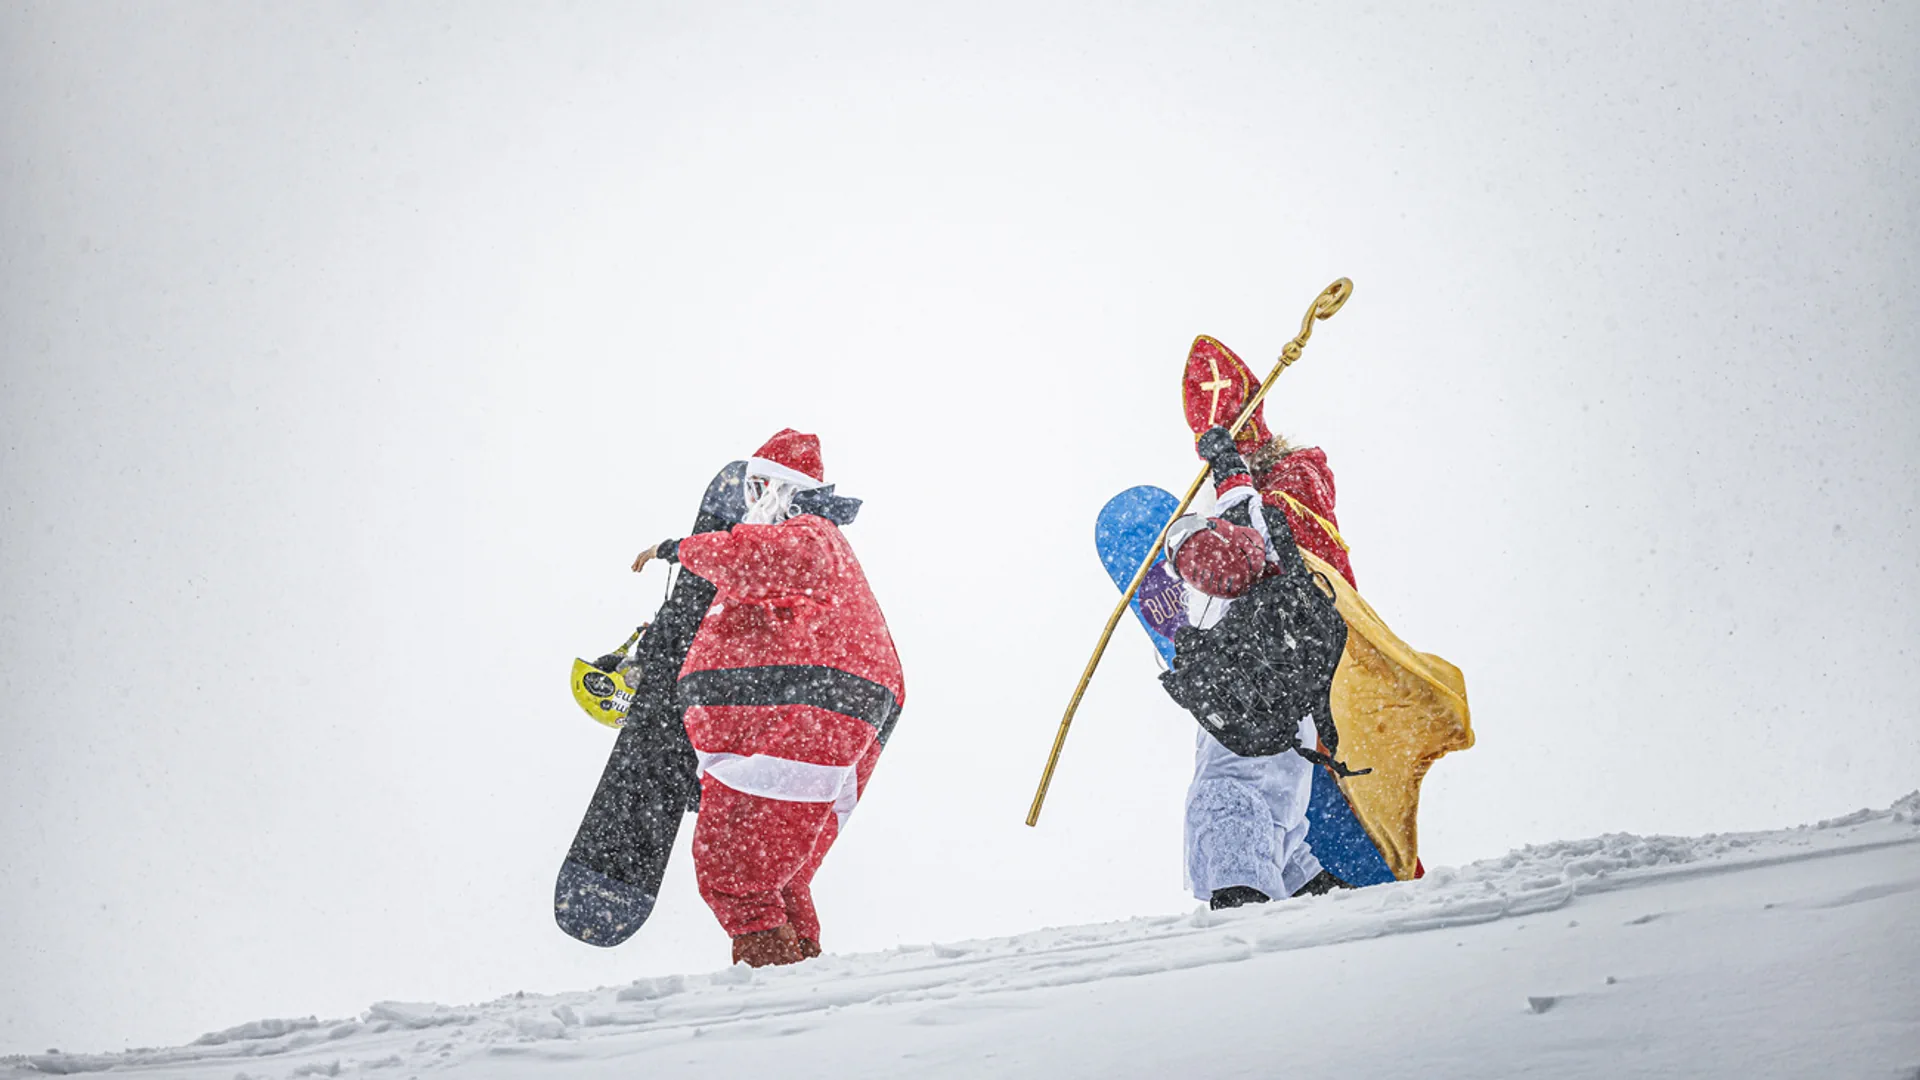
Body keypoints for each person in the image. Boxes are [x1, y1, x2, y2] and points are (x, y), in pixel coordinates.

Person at [636, 429, 903, 967]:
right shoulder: (802, 568)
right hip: (830, 710)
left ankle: (770, 999)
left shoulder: (807, 534)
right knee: (779, 876)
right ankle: (804, 987)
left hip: (804, 709)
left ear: (783, 488)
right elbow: (763, 596)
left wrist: (681, 549)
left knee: (733, 872)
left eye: (759, 489)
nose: (751, 505)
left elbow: (762, 559)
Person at [1164, 424, 1358, 909]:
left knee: (1227, 784)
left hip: (1251, 684)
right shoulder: (1296, 548)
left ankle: (1241, 888)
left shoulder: (1258, 521)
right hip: (1293, 693)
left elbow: (1242, 525)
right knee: (1279, 787)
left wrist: (1226, 466)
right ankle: (1302, 880)